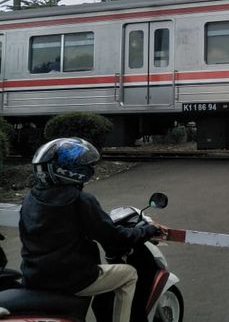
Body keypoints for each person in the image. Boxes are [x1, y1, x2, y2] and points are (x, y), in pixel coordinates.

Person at [19, 138, 165, 322]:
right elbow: (115, 238)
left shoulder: (30, 198)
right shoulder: (80, 199)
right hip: (71, 278)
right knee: (129, 274)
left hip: (34, 276)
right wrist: (149, 230)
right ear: (71, 170)